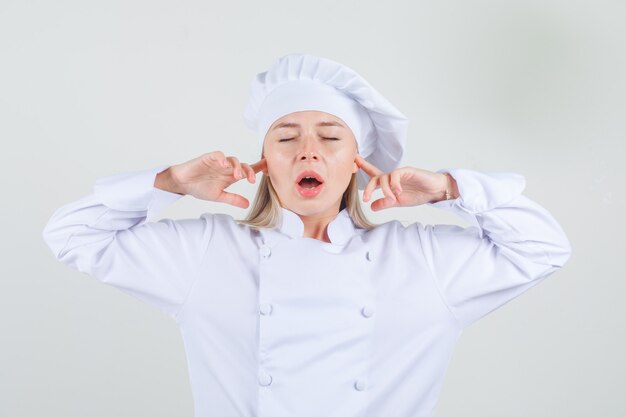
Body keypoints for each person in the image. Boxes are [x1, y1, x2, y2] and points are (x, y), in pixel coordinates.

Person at [42, 53, 572, 417]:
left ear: (357, 163)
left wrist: (448, 190)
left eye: (331, 136)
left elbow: (544, 247)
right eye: (286, 137)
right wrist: (170, 182)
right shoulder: (207, 252)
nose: (308, 152)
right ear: (266, 161)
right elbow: (72, 235)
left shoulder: (420, 260)